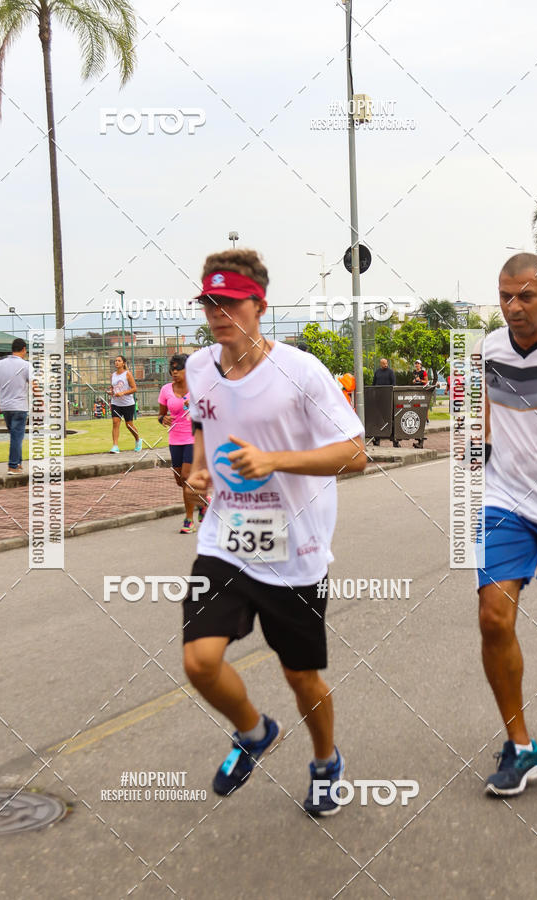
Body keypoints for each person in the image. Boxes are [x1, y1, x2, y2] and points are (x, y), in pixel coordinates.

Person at [182, 249, 366, 816]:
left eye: (229, 301)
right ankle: (255, 731)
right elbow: (204, 426)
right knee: (199, 662)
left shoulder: (301, 371)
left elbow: (356, 454)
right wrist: (199, 467)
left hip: (296, 548)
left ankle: (325, 761)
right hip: (227, 538)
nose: (218, 312)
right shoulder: (197, 367)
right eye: (209, 302)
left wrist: (274, 461)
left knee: (301, 676)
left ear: (259, 306)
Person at [478, 252, 537, 796]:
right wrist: (473, 461)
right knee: (492, 618)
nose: (513, 307)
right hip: (504, 499)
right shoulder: (488, 347)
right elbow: (481, 408)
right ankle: (521, 746)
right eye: (505, 296)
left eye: (525, 296)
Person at [158, 354, 209, 534]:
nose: (174, 372)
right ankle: (204, 502)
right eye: (172, 369)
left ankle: (189, 520)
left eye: (178, 368)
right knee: (181, 481)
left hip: (194, 437)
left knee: (187, 477)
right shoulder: (166, 390)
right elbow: (161, 415)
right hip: (175, 439)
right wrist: (162, 419)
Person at [0, 338, 33, 475]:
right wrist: (41, 401)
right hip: (20, 406)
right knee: (16, 436)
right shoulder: (26, 365)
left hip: (6, 406)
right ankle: (13, 465)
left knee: (15, 435)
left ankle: (19, 463)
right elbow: (34, 386)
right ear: (24, 349)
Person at [108, 355, 142, 453]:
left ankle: (138, 440)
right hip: (116, 403)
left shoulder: (128, 374)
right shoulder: (113, 375)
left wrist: (123, 393)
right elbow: (112, 387)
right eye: (115, 361)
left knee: (129, 425)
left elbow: (134, 388)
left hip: (128, 404)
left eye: (119, 360)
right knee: (115, 423)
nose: (116, 362)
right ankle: (115, 446)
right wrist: (110, 391)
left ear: (123, 363)